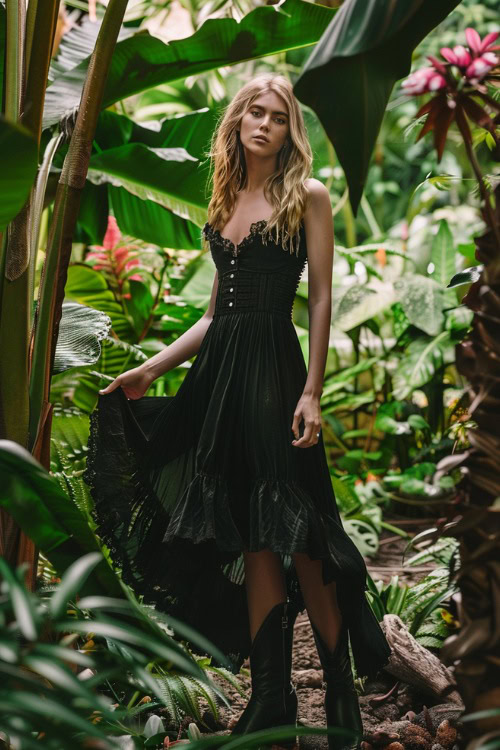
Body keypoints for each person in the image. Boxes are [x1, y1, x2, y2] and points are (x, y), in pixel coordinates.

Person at [83, 73, 391, 750]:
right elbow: (214, 310)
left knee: (303, 534)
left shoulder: (306, 196)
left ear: (289, 132)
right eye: (254, 111)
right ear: (236, 121)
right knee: (253, 532)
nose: (263, 123)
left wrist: (312, 389)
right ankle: (271, 698)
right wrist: (151, 367)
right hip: (222, 375)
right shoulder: (225, 197)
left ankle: (339, 693)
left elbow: (317, 300)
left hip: (275, 375)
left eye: (277, 117)